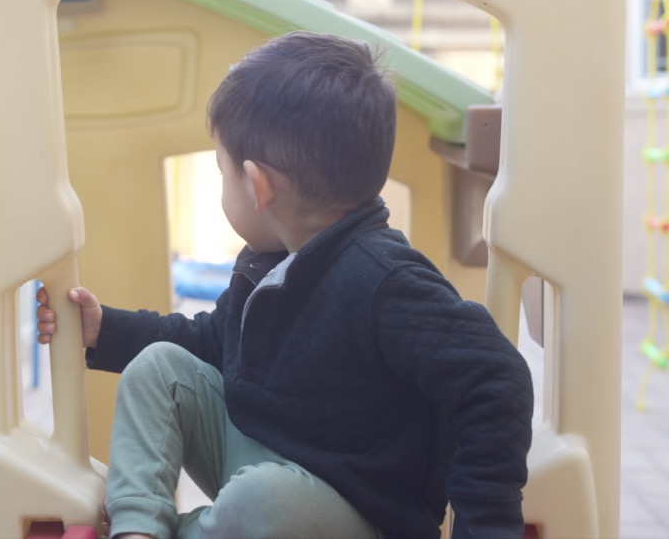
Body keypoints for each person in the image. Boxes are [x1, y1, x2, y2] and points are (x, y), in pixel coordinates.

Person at [36, 31, 534, 539]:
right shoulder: (271, 263)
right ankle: (138, 526)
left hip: (352, 512)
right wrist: (104, 331)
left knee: (262, 501)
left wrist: (484, 525)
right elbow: (214, 341)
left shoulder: (385, 280)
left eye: (221, 172)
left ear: (257, 186)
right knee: (159, 367)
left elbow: (496, 379)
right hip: (263, 462)